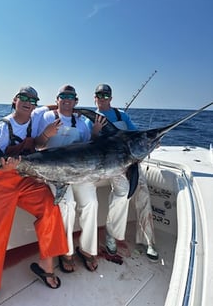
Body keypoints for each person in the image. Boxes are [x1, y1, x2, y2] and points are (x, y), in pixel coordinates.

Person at [0, 86, 68, 306]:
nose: (28, 101)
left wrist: (48, 130)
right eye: (23, 98)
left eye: (32, 100)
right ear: (14, 101)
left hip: (25, 179)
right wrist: (4, 167)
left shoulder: (35, 118)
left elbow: (40, 140)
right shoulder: (2, 127)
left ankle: (46, 266)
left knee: (50, 208)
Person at [35, 85, 100, 273]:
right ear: (57, 99)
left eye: (70, 96)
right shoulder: (46, 117)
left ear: (76, 101)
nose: (66, 99)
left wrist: (95, 134)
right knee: (68, 205)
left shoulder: (80, 122)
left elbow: (89, 147)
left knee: (92, 203)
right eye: (63, 96)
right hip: (53, 171)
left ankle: (87, 249)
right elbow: (38, 145)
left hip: (78, 172)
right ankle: (66, 251)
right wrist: (47, 134)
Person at [90, 83, 159, 262]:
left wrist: (150, 144)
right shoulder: (88, 118)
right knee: (122, 194)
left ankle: (148, 241)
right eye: (99, 95)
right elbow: (87, 143)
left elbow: (138, 137)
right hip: (108, 165)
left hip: (131, 163)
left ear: (111, 98)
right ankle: (111, 235)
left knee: (143, 191)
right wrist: (96, 133)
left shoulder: (122, 115)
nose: (102, 98)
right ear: (94, 97)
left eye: (106, 95)